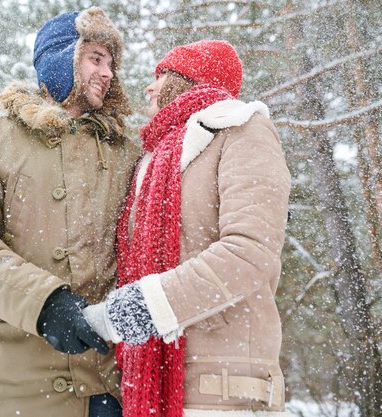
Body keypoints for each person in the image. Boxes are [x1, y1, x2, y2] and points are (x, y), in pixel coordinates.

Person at [0, 7, 140, 417]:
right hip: (8, 391)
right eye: (95, 59)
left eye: (111, 63)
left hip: (104, 391)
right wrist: (44, 303)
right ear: (62, 59)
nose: (107, 73)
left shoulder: (128, 154)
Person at [83, 40, 293, 417]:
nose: (149, 86)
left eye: (161, 75)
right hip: (156, 389)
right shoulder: (155, 157)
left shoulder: (243, 130)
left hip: (228, 394)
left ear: (187, 79)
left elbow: (249, 252)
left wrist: (145, 306)